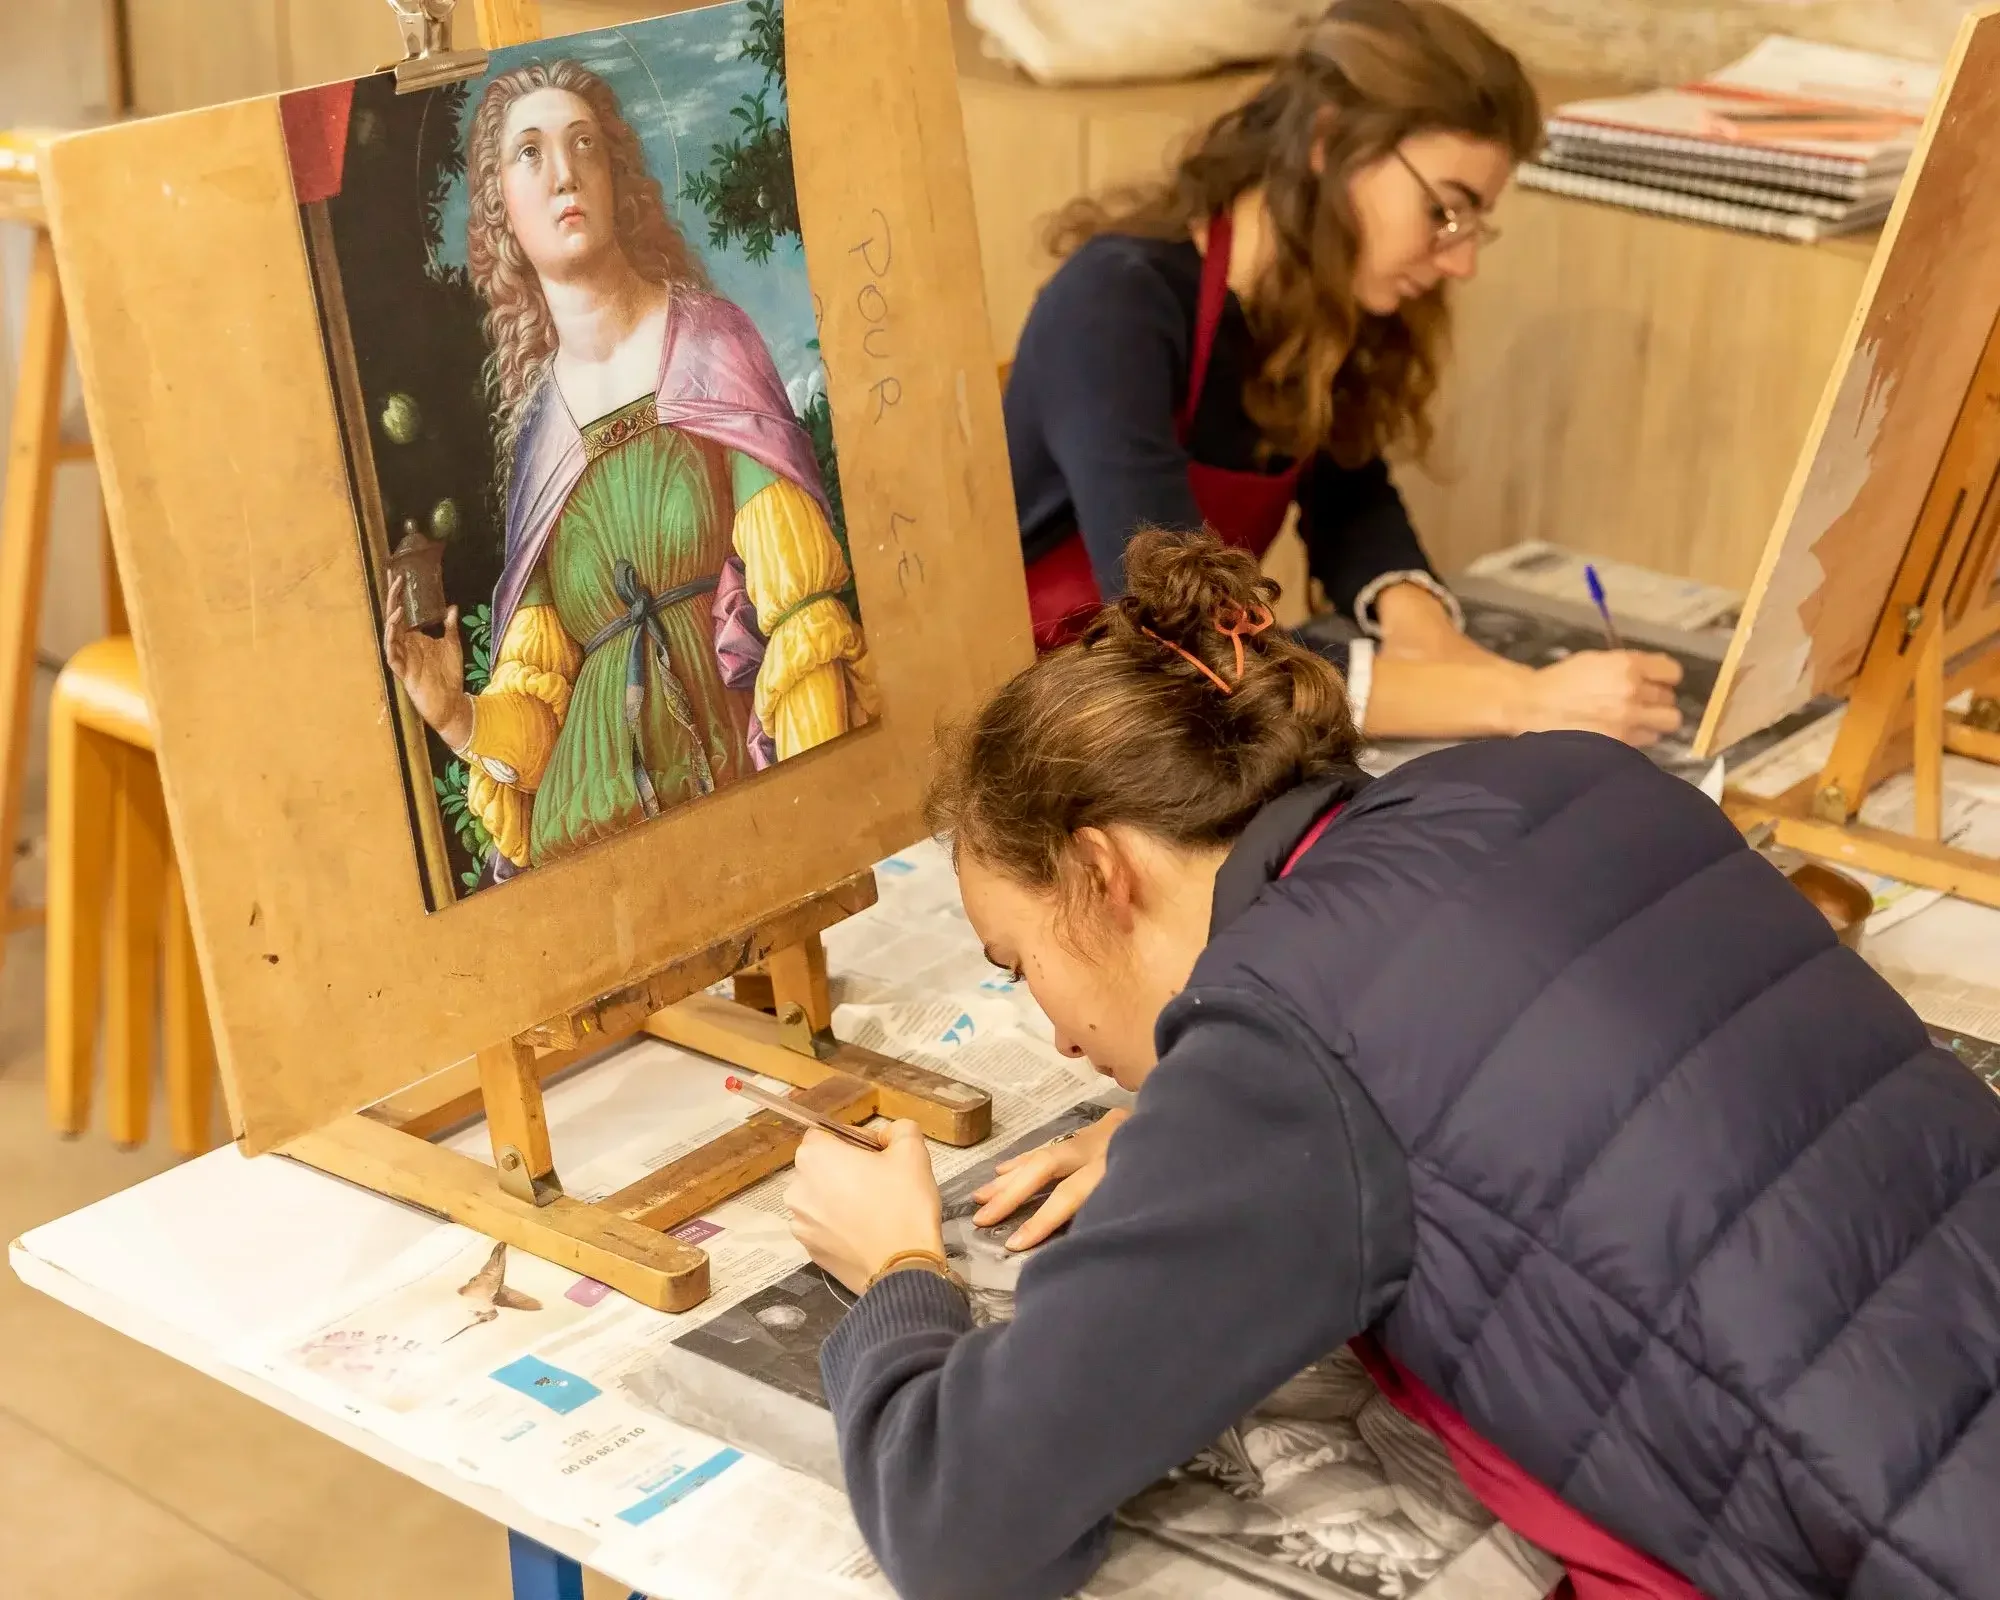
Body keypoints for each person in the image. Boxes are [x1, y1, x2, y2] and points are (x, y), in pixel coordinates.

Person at [784, 529, 2000, 1600]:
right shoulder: (1565, 773)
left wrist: (894, 1268)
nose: (1051, 1032)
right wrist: (1193, 1122)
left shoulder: (1288, 1054)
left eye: (1015, 962)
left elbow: (962, 1518)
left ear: (1102, 873)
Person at [1004, 0, 1683, 748]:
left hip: (1184, 719)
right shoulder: (1116, 303)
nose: (1461, 261)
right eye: (1445, 213)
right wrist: (1516, 698)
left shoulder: (1314, 309)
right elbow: (1183, 633)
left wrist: (1418, 621)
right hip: (1052, 724)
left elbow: (1349, 494)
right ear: (1330, 143)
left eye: (1472, 225)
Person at [383, 60, 876, 884]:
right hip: (587, 842)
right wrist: (459, 716)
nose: (564, 173)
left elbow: (802, 617)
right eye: (530, 154)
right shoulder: (540, 437)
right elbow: (538, 696)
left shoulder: (713, 346)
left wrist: (815, 822)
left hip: (729, 790)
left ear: (618, 178)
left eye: (584, 146)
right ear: (500, 204)